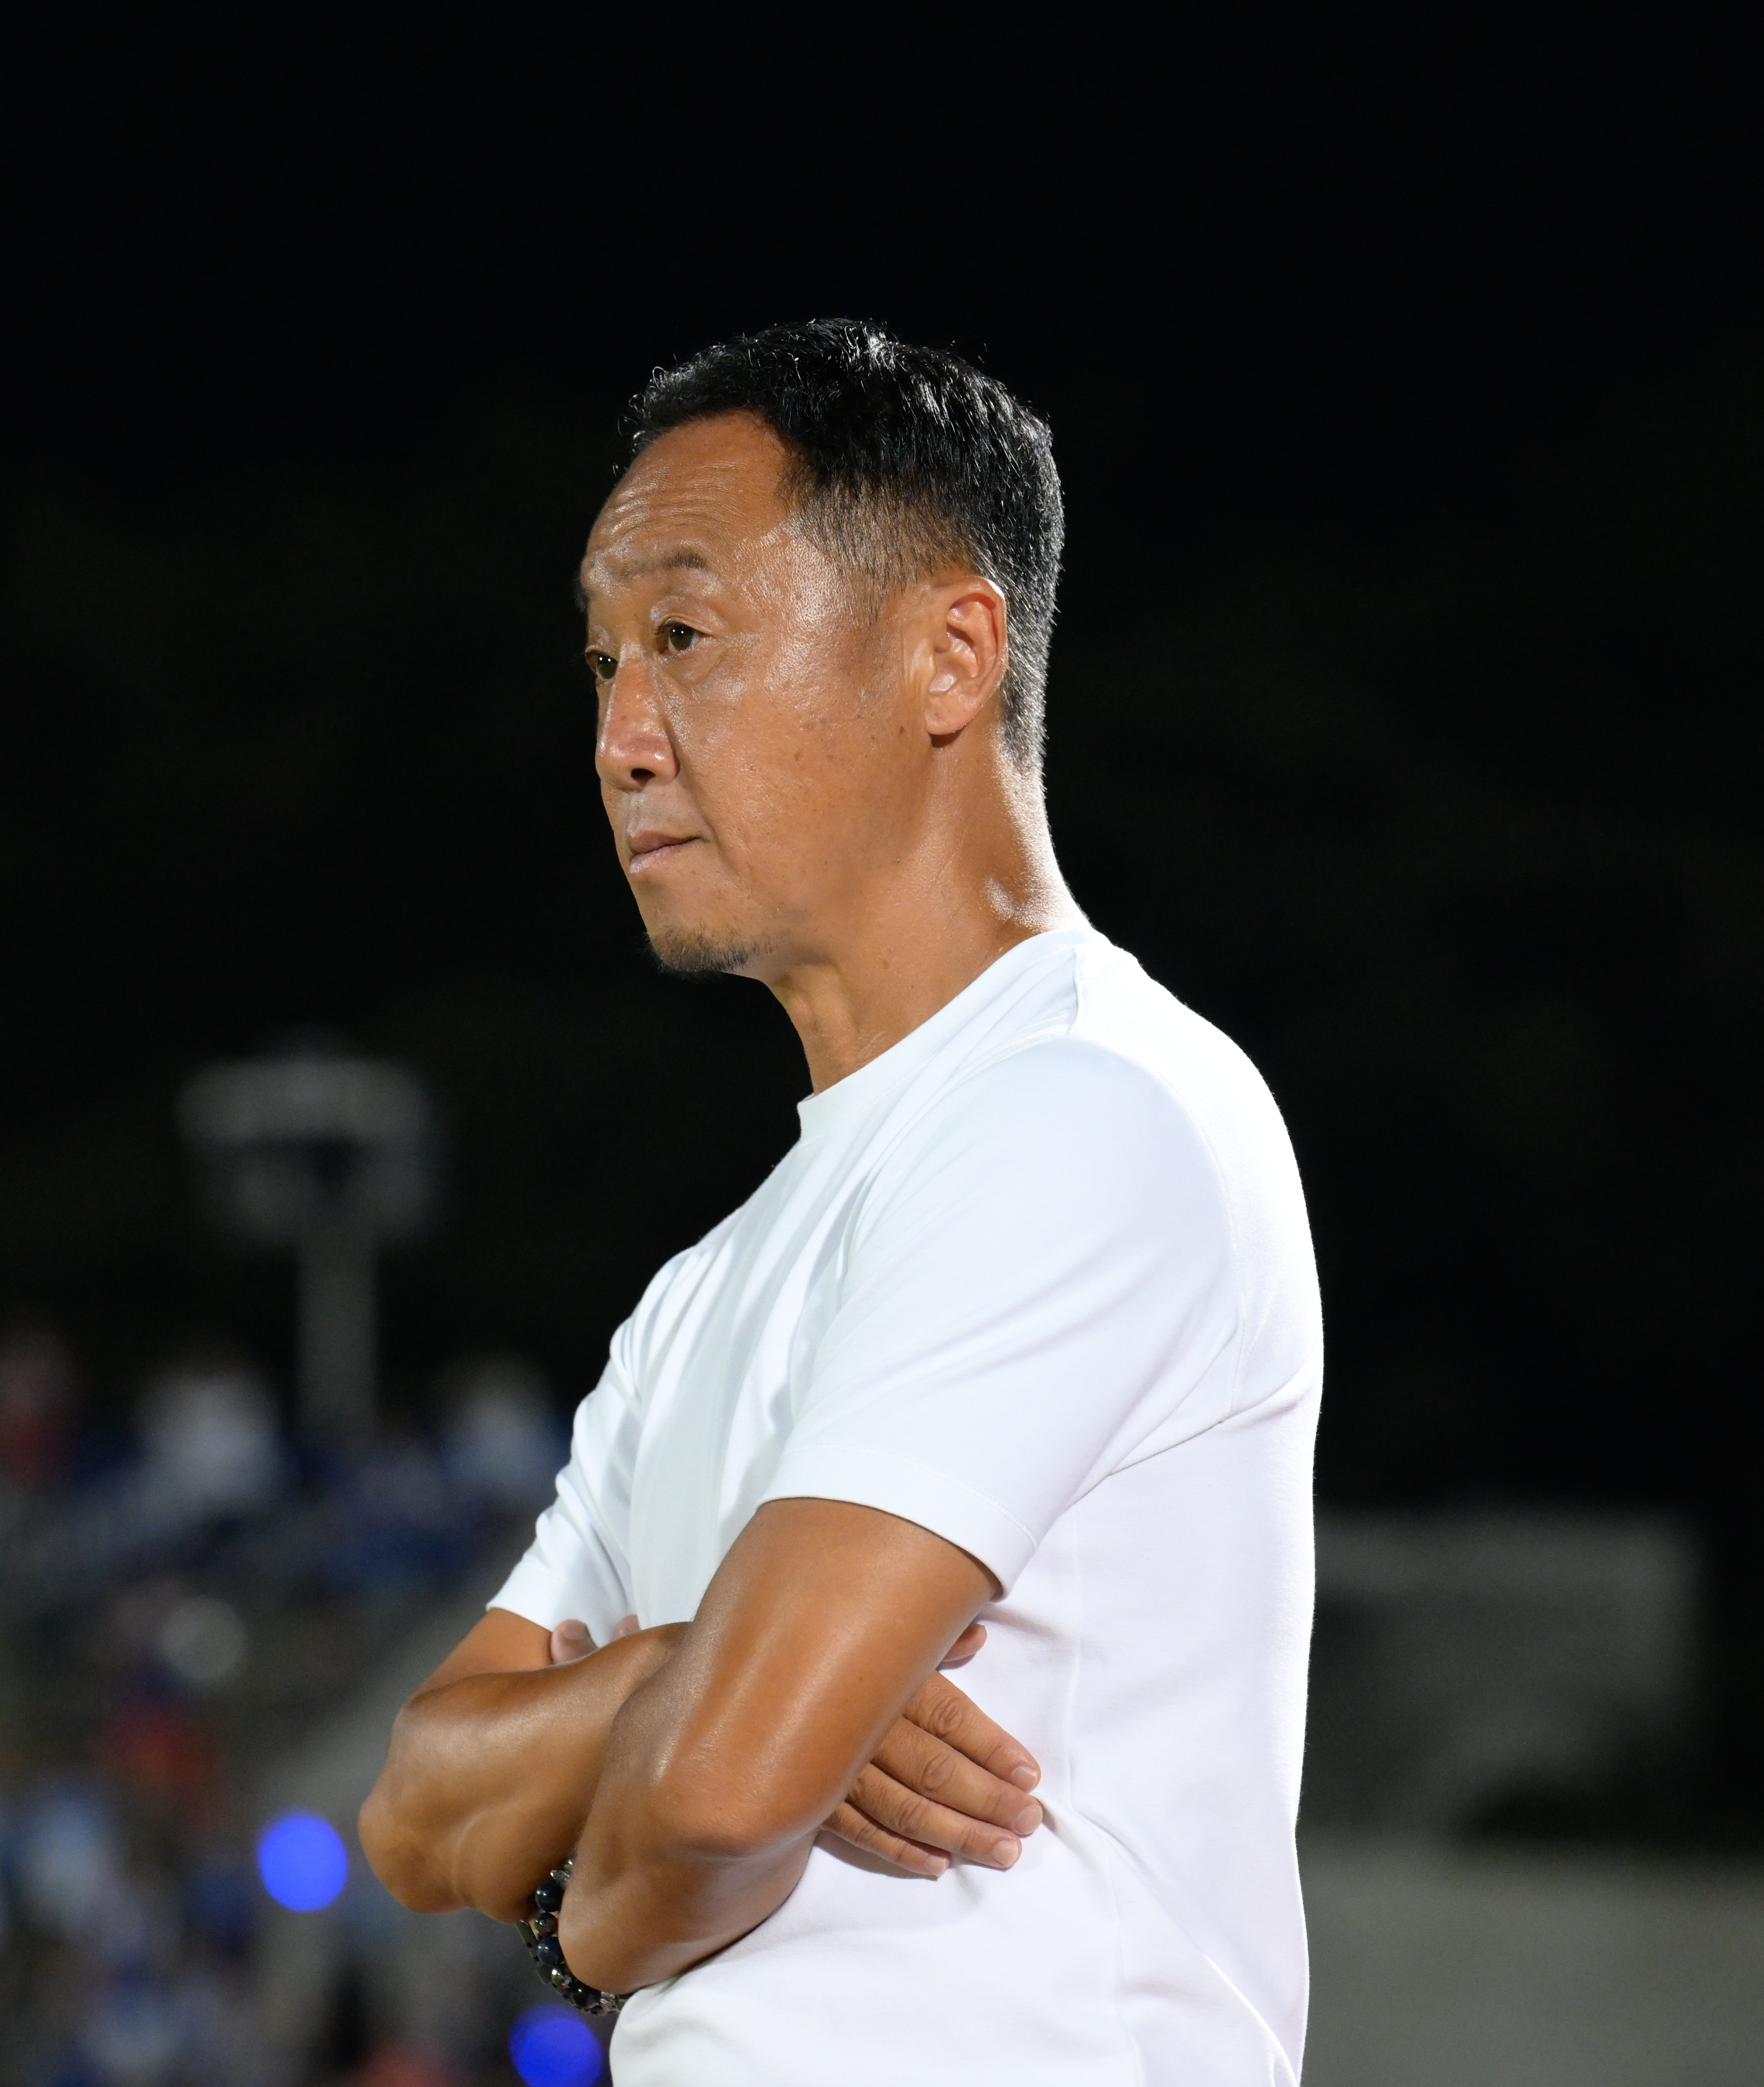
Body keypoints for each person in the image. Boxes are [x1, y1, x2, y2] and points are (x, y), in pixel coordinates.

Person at [357, 321, 1323, 2082]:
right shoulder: (707, 1287)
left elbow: (709, 1807)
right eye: (600, 663)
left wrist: (594, 1896)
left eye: (683, 639)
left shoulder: (1090, 1105)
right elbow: (420, 1816)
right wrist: (679, 1672)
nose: (619, 738)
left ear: (951, 656)